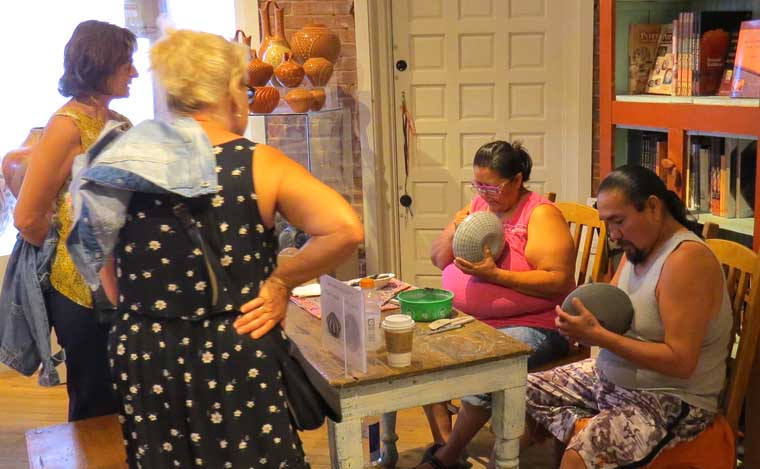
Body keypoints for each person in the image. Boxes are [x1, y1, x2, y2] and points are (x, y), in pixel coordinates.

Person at [66, 29, 363, 467]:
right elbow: (345, 230)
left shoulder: (115, 162)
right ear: (229, 90)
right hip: (236, 342)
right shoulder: (257, 162)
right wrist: (280, 282)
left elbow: (107, 280)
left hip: (146, 350)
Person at [524, 165, 732, 469]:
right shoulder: (637, 248)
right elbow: (609, 307)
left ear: (653, 207)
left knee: (581, 454)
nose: (614, 234)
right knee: (521, 392)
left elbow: (681, 361)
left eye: (619, 221)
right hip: (612, 380)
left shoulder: (686, 261)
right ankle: (597, 434)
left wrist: (600, 337)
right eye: (607, 223)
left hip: (671, 399)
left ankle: (593, 441)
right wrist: (577, 325)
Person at [419, 140, 576, 468]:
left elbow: (558, 281)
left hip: (538, 325)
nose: (484, 193)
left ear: (517, 180)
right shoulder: (478, 206)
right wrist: (457, 226)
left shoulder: (541, 215)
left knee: (487, 361)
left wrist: (495, 276)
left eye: (492, 186)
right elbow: (437, 258)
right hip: (474, 321)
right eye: (478, 184)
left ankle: (446, 457)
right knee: (420, 351)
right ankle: (447, 441)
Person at [12, 20, 137, 421]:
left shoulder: (118, 120)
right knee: (94, 402)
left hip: (119, 284)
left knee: (124, 397)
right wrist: (70, 247)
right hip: (80, 293)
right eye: (126, 64)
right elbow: (27, 215)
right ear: (101, 64)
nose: (133, 72)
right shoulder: (66, 126)